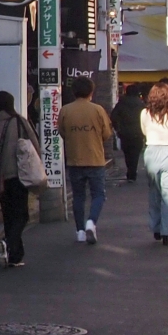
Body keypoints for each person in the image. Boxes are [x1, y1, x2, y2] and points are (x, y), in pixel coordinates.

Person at [0, 90, 40, 269]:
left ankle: (14, 255)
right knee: (22, 215)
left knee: (9, 215)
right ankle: (8, 243)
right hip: (18, 173)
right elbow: (34, 143)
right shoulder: (17, 121)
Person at [59, 77, 114, 244]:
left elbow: (62, 132)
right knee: (98, 194)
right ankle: (91, 221)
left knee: (78, 196)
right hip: (95, 158)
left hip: (75, 159)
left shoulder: (65, 110)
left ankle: (80, 231)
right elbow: (106, 133)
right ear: (91, 91)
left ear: (73, 91)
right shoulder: (97, 110)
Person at [142, 80, 168, 244]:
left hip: (151, 151)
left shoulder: (145, 114)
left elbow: (144, 131)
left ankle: (156, 227)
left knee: (154, 191)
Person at [114, 82, 147, 183]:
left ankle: (130, 171)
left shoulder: (121, 103)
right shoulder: (141, 104)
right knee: (135, 154)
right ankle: (132, 172)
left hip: (124, 133)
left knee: (127, 153)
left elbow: (114, 116)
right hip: (138, 132)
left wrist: (118, 129)